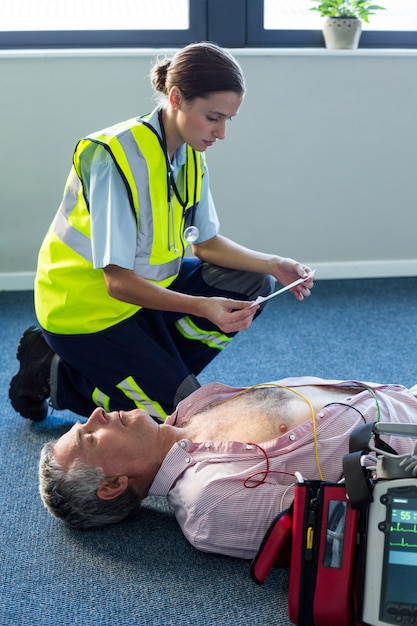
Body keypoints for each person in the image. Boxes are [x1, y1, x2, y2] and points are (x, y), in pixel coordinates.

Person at [9, 42, 314, 424]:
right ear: (176, 98)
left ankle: (147, 369)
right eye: (213, 118)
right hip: (85, 313)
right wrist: (203, 306)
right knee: (185, 418)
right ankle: (58, 375)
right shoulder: (113, 157)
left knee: (255, 282)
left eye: (227, 121)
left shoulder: (189, 154)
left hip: (144, 300)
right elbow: (117, 283)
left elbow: (205, 244)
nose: (221, 133)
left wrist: (274, 263)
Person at [39, 376, 417, 559]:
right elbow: (348, 532)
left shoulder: (189, 410)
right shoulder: (209, 501)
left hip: (402, 395)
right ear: (112, 485)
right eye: (89, 437)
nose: (96, 413)